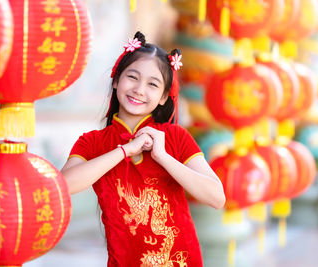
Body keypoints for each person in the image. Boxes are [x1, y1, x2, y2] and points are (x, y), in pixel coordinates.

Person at [61, 31, 225, 267]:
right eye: (132, 77)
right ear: (116, 80)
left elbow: (216, 197)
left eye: (152, 84)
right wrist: (125, 150)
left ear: (163, 97)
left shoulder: (175, 137)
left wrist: (163, 157)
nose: (139, 89)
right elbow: (64, 185)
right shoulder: (92, 143)